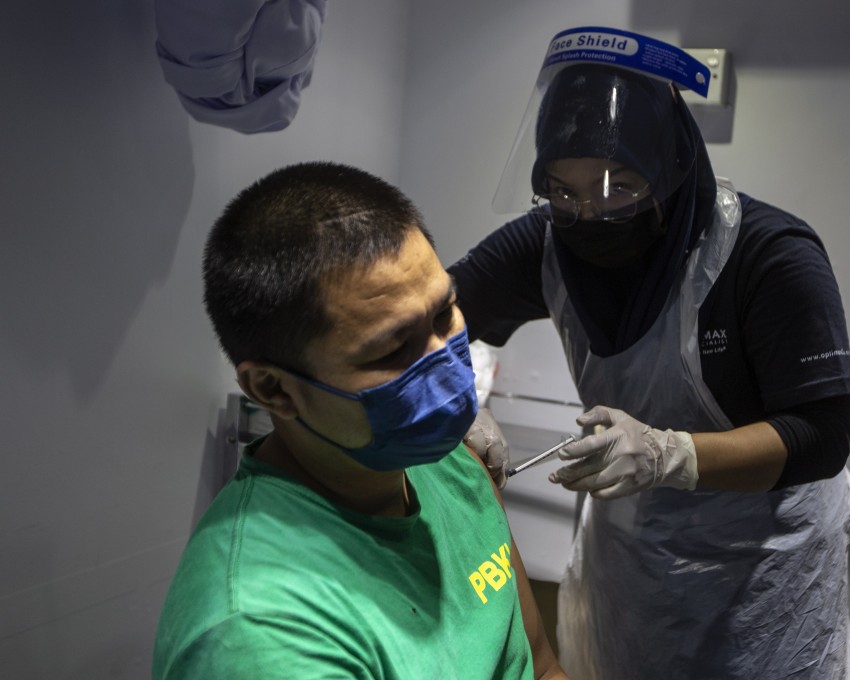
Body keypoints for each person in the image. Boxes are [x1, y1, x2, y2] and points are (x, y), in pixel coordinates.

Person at [449, 27, 850, 679]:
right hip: (633, 566)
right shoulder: (550, 240)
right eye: (562, 190)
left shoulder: (768, 256)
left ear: (668, 172)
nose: (588, 213)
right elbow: (434, 315)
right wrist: (454, 400)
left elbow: (821, 435)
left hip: (760, 580)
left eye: (617, 188)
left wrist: (672, 454)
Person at [152, 161, 566, 679]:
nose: (443, 367)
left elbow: (542, 667)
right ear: (273, 389)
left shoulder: (455, 467)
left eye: (444, 315)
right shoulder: (262, 635)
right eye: (392, 351)